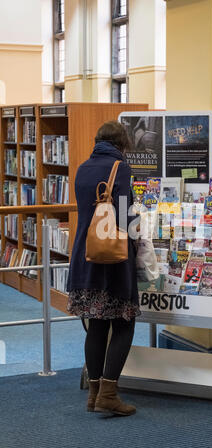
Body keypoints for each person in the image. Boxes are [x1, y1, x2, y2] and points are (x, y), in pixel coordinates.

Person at [67, 121, 140, 416]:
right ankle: (109, 394)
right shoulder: (119, 169)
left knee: (96, 325)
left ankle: (94, 393)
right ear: (122, 144)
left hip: (86, 258)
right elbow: (124, 215)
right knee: (124, 323)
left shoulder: (83, 168)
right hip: (113, 262)